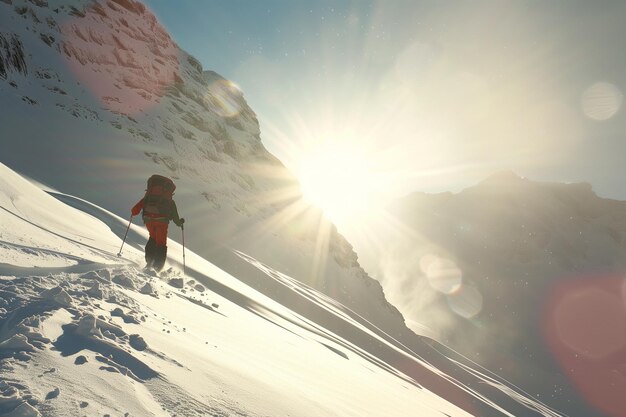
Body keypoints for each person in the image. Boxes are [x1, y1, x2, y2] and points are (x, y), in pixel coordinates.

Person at [131, 175, 184, 271]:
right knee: (161, 243)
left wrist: (133, 212)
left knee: (152, 238)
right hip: (161, 221)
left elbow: (136, 209)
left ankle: (149, 261)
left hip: (148, 220)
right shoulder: (169, 201)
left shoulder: (148, 196)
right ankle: (157, 267)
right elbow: (176, 218)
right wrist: (180, 223)